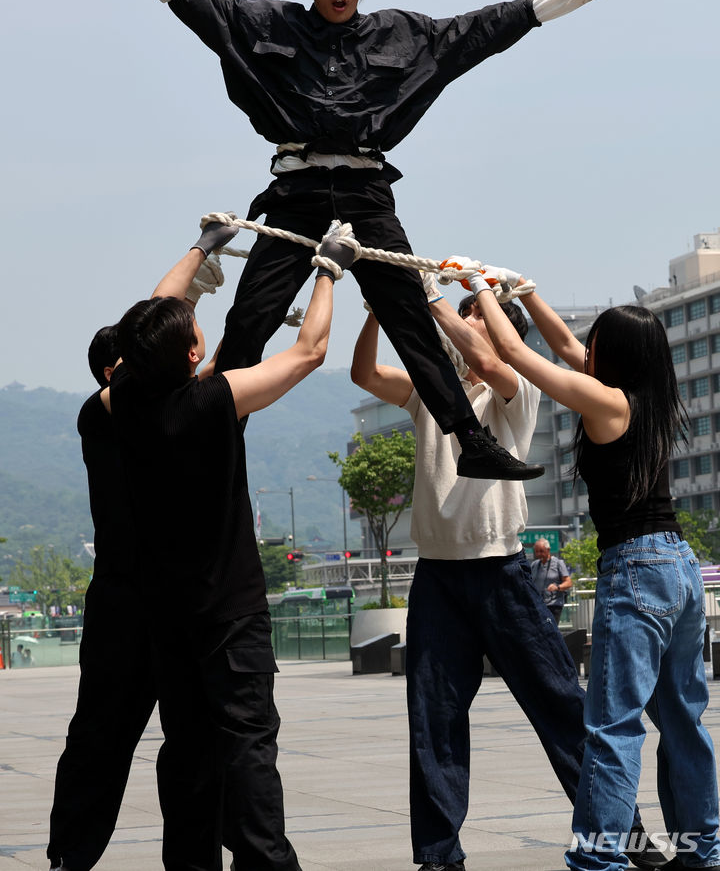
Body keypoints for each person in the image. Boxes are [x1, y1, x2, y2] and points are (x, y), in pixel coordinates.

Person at [78, 0, 602, 481]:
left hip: (366, 192)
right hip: (295, 189)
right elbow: (206, 9)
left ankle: (471, 440)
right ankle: (215, 436)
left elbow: (473, 33)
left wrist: (543, 5)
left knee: (407, 314)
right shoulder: (269, 23)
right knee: (253, 316)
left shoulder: (401, 33)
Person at [350, 279, 661, 871]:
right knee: (434, 720)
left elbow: (489, 359)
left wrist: (421, 298)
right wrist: (374, 314)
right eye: (463, 317)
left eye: (474, 319)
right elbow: (364, 375)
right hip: (437, 577)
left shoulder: (515, 390)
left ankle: (627, 836)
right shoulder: (429, 391)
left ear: (494, 330)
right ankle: (440, 856)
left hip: (503, 574)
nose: (463, 326)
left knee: (564, 709)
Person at [449, 258, 720, 871]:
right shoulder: (647, 397)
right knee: (681, 719)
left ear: (613, 353)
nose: (585, 348)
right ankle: (705, 849)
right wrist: (527, 292)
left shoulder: (604, 401)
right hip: (679, 567)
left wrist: (482, 290)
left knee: (612, 725)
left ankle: (600, 859)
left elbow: (521, 357)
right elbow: (566, 345)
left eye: (597, 341)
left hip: (637, 569)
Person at [98, 219, 352, 871]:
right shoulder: (210, 403)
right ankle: (267, 862)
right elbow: (308, 353)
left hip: (167, 621)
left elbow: (152, 312)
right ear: (190, 357)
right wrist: (329, 269)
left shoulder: (120, 401)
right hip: (230, 620)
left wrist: (201, 250)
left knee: (185, 754)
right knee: (246, 750)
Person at [47, 323, 159, 871]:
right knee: (100, 735)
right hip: (122, 603)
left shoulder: (187, 407)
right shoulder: (101, 415)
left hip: (186, 599)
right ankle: (70, 854)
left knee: (210, 742)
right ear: (115, 375)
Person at [531, 536, 573, 623]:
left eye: (541, 551)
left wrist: (557, 587)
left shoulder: (558, 563)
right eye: (537, 552)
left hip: (554, 604)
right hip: (538, 605)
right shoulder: (534, 565)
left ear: (548, 550)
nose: (539, 554)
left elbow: (568, 582)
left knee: (551, 630)